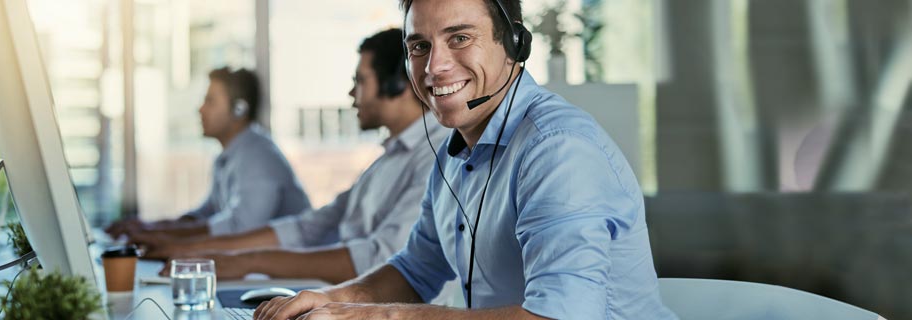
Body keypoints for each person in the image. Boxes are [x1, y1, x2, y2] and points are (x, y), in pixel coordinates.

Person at [253, 0, 677, 319]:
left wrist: (375, 315)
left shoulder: (558, 150)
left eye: (459, 38)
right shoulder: (454, 154)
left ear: (514, 42)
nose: (433, 67)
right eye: (419, 45)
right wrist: (328, 300)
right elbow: (415, 270)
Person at [143, 29, 448, 285]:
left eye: (361, 81)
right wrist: (195, 249)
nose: (352, 94)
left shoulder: (436, 156)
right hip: (342, 298)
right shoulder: (389, 157)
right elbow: (309, 227)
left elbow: (381, 259)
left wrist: (245, 262)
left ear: (399, 84)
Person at [106, 68, 311, 240]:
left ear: (239, 109)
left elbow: (240, 228)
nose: (201, 109)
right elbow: (206, 215)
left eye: (210, 101)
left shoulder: (259, 157)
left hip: (289, 279)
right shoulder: (230, 156)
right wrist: (150, 227)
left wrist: (159, 233)